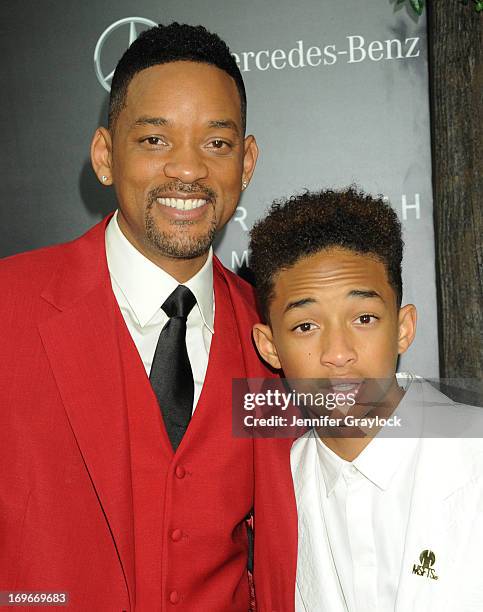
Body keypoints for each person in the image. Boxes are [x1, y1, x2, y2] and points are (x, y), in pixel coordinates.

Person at [0, 23, 297, 611]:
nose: (187, 171)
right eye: (155, 141)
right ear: (106, 156)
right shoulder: (10, 305)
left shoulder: (282, 336)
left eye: (216, 143)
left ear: (248, 161)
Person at [249, 187, 483, 611]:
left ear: (403, 327)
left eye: (364, 318)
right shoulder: (272, 491)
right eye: (306, 326)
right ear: (269, 347)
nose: (338, 353)